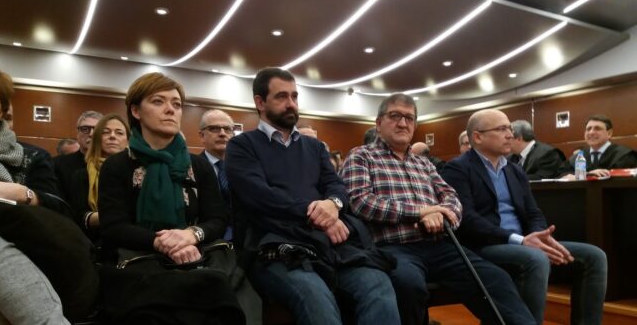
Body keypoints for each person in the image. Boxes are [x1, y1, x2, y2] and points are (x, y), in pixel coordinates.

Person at [225, 67, 400, 325]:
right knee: (315, 298)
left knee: (378, 286)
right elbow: (261, 197)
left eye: (294, 96)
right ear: (260, 103)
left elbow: (337, 187)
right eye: (281, 97)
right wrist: (321, 215)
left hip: (327, 246)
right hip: (274, 249)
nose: (291, 104)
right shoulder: (241, 146)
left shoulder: (314, 147)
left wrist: (333, 204)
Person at [341, 94, 535, 325]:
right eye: (395, 116)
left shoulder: (423, 163)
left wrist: (442, 214)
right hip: (392, 247)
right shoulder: (361, 156)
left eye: (409, 118)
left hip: (440, 245)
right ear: (378, 123)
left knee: (496, 279)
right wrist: (421, 212)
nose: (403, 123)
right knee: (408, 284)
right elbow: (361, 202)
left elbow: (451, 197)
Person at [98, 72, 245, 324]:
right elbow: (113, 226)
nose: (170, 110)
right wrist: (164, 242)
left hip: (197, 254)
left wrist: (191, 235)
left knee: (217, 294)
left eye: (176, 104)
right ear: (135, 111)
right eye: (158, 102)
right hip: (137, 259)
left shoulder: (198, 165)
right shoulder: (118, 165)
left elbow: (217, 218)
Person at [441, 109, 607, 325]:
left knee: (594, 256)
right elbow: (467, 219)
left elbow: (532, 212)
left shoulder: (514, 169)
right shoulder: (457, 168)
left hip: (524, 241)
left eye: (509, 128)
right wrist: (519, 240)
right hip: (484, 245)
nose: (510, 134)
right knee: (534, 258)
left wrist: (541, 236)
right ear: (478, 136)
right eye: (501, 129)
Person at [0, 60, 97, 324]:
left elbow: (61, 214)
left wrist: (22, 193)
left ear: (1, 110)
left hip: (31, 258)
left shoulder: (30, 157)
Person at [69, 114, 129, 243]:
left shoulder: (137, 173)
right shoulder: (81, 175)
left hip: (132, 241)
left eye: (119, 133)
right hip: (95, 243)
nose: (112, 136)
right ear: (97, 139)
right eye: (106, 132)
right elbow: (79, 216)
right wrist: (113, 217)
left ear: (128, 140)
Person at [560, 114, 637, 179]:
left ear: (609, 133)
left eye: (597, 128)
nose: (591, 132)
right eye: (588, 129)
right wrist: (585, 175)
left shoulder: (624, 156)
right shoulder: (577, 157)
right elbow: (560, 175)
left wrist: (587, 176)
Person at [199, 109, 236, 240]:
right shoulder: (191, 168)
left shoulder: (245, 166)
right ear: (202, 135)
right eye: (214, 128)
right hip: (208, 241)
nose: (222, 133)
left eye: (227, 129)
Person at [54, 110, 103, 202]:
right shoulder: (57, 164)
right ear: (77, 134)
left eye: (97, 129)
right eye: (85, 129)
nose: (91, 134)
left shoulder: (112, 164)